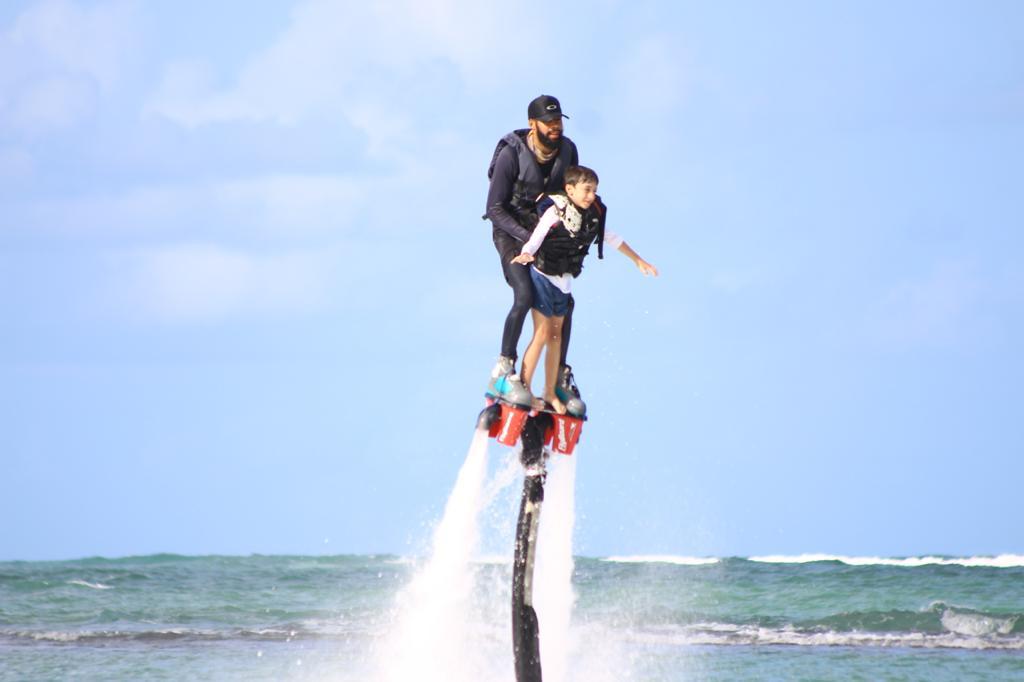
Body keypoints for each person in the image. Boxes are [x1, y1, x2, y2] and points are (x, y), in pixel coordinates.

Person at [511, 165, 658, 414]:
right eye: (587, 190)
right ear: (570, 190)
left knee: (556, 336)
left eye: (594, 191)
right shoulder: (556, 211)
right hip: (543, 276)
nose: (591, 196)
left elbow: (613, 239)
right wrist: (526, 253)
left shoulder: (593, 216)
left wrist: (638, 260)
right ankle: (524, 387)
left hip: (564, 282)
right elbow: (537, 236)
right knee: (542, 332)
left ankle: (549, 392)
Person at [484, 95, 581, 410]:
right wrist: (529, 239)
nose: (555, 127)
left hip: (547, 236)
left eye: (558, 121)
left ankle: (558, 380)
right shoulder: (511, 154)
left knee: (565, 304)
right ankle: (503, 371)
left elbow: (574, 199)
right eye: (548, 122)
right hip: (512, 234)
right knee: (525, 295)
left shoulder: (568, 151)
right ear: (532, 124)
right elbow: (494, 209)